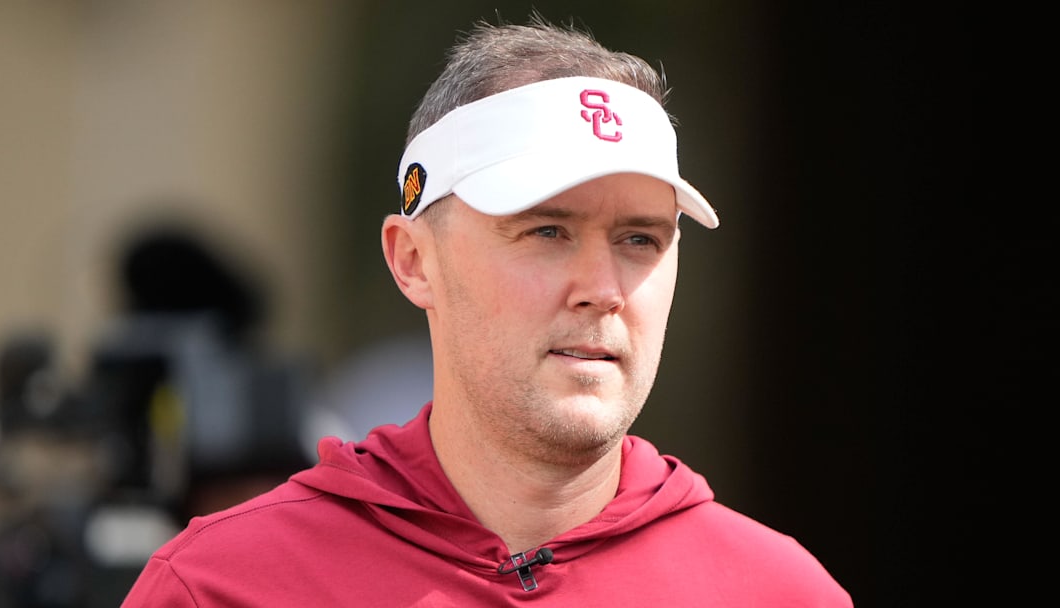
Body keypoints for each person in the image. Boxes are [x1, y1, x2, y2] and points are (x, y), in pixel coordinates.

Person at [122, 16, 852, 607]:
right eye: (546, 231)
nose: (602, 286)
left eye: (639, 238)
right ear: (413, 260)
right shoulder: (221, 587)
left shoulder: (779, 593)